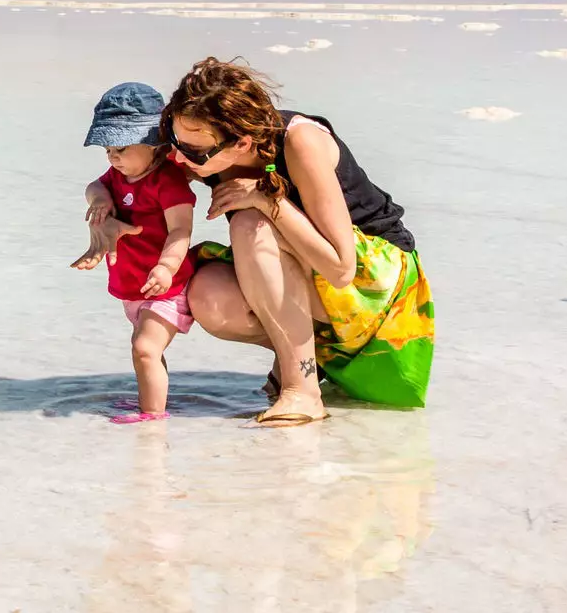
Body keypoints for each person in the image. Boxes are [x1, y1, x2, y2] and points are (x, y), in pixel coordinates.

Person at [162, 57, 433, 425]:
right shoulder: (199, 146)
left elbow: (341, 268)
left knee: (249, 225)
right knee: (209, 295)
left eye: (193, 151)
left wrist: (266, 200)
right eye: (174, 139)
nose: (178, 156)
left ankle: (302, 389)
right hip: (319, 280)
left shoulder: (300, 141)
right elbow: (132, 178)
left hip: (380, 286)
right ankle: (306, 359)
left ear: (241, 142)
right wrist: (103, 211)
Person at [70, 82, 200, 425]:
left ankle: (153, 416)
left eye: (123, 148)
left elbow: (180, 229)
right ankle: (151, 398)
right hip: (134, 286)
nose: (113, 157)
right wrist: (100, 200)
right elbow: (94, 186)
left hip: (167, 286)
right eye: (108, 149)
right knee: (146, 352)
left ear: (154, 144)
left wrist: (166, 267)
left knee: (145, 348)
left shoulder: (168, 181)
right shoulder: (118, 175)